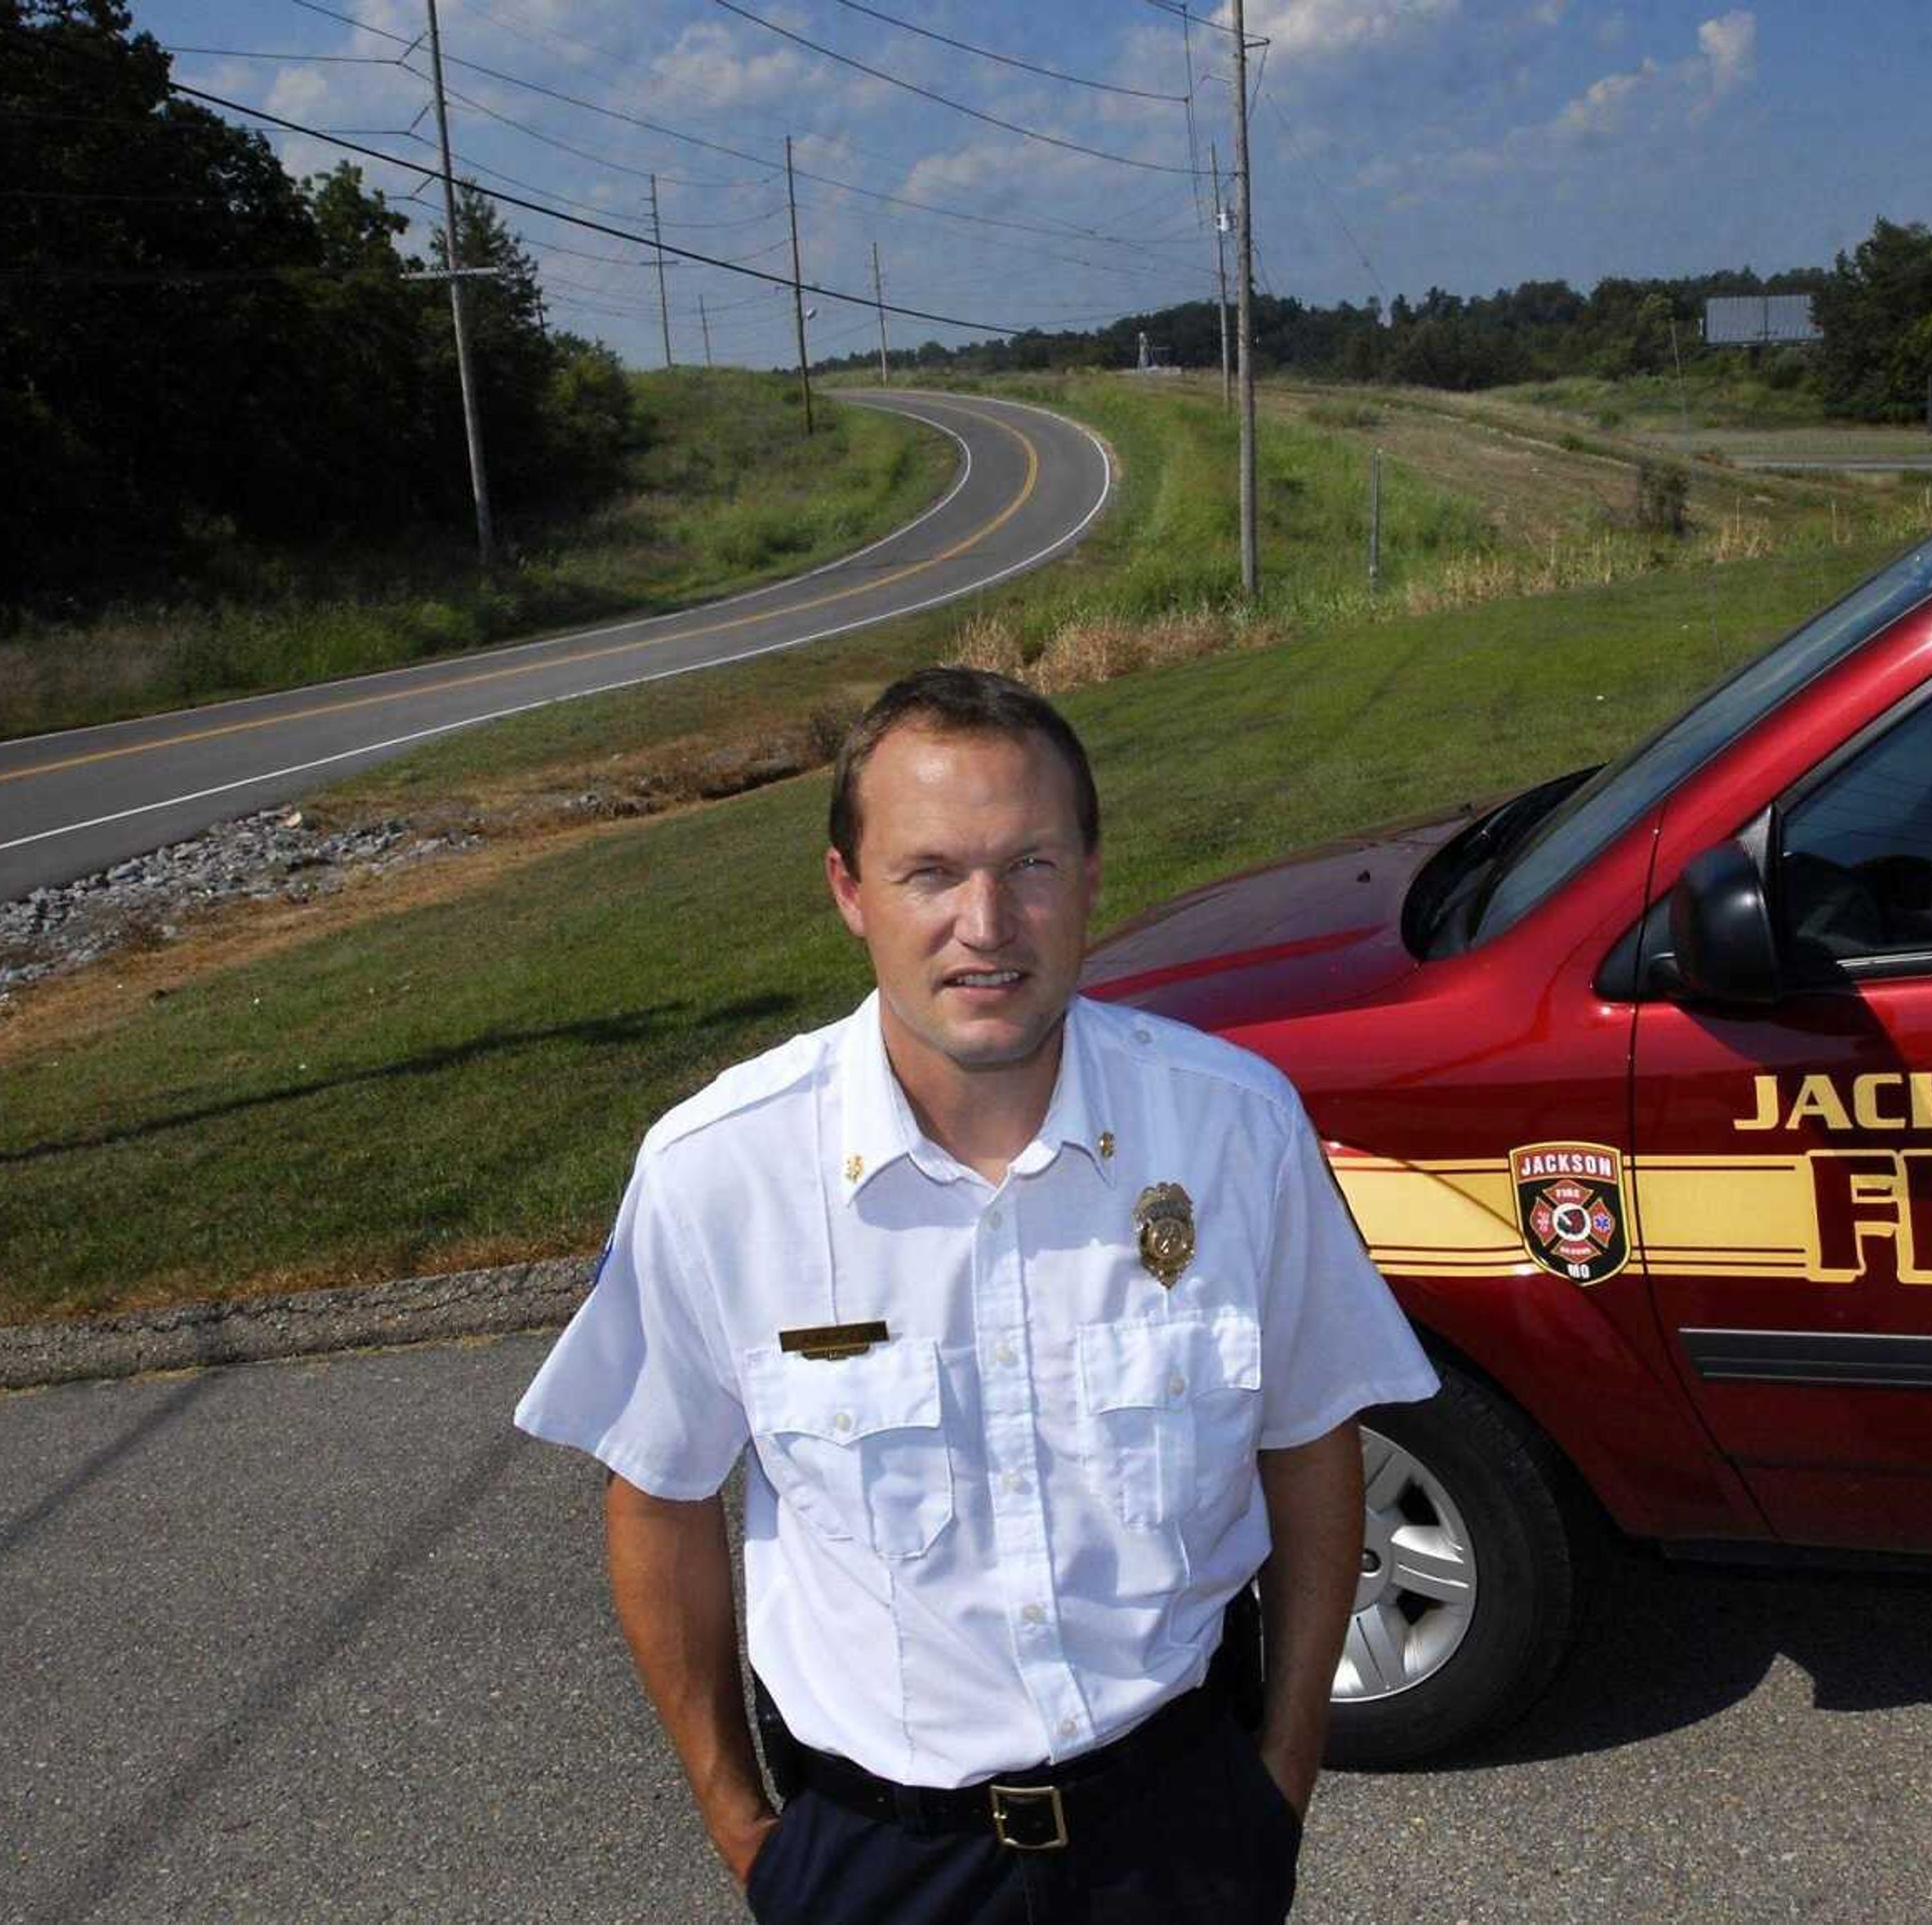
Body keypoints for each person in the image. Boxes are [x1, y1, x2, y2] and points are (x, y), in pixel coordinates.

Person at [514, 666, 1439, 1923]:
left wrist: (1280, 1779)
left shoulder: (1236, 1128)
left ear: (1094, 872)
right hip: (880, 1858)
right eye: (931, 872)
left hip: (1182, 1830)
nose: (988, 922)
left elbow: (1312, 1440)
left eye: (1033, 865)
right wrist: (751, 1837)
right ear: (849, 890)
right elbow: (661, 1497)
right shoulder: (719, 1171)